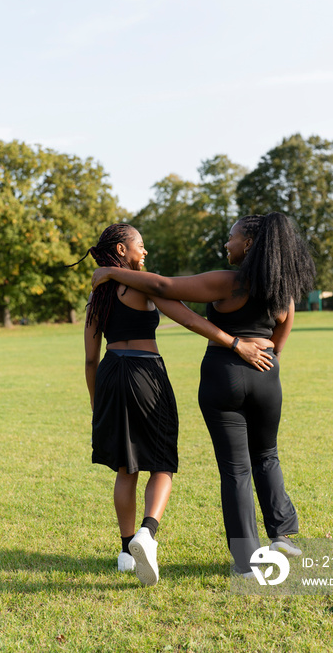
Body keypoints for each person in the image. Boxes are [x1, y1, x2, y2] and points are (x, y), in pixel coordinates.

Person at [91, 213, 316, 575]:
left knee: (236, 470)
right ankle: (283, 535)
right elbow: (281, 338)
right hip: (265, 372)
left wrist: (113, 272)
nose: (226, 243)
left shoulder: (227, 281)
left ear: (247, 244)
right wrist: (262, 361)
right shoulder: (283, 290)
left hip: (222, 376)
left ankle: (246, 562)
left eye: (231, 237)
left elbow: (164, 288)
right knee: (268, 455)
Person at [67, 222, 274, 586]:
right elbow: (189, 318)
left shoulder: (96, 298)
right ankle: (147, 533)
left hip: (111, 374)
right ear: (121, 251)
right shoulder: (143, 285)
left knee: (124, 467)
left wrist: (96, 403)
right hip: (147, 374)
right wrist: (234, 342)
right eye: (140, 246)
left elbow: (88, 359)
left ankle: (124, 550)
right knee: (162, 463)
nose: (144, 253)